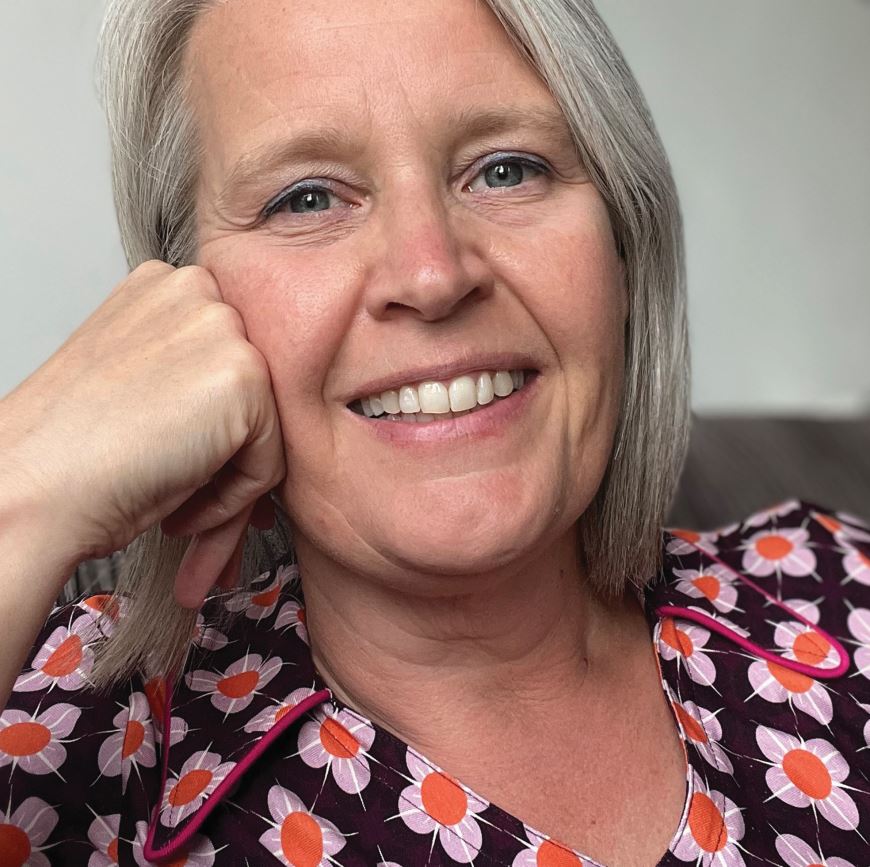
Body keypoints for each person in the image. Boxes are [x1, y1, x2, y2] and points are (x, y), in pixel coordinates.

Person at [0, 0, 867, 864]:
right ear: (175, 313)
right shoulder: (81, 736)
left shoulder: (837, 590)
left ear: (623, 245)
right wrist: (22, 485)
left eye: (507, 170)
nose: (432, 274)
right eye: (307, 198)